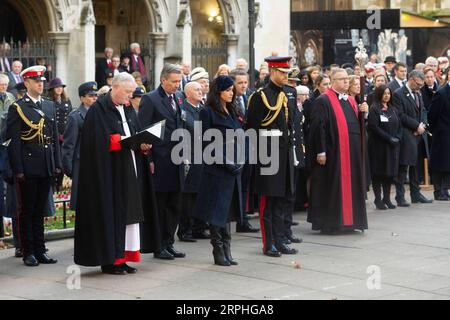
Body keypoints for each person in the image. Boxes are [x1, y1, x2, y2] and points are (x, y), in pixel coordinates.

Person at [74, 73, 160, 275]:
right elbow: (95, 142)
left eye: (132, 93)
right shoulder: (98, 110)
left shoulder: (128, 109)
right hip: (109, 174)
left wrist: (143, 144)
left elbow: (135, 133)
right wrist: (119, 140)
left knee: (129, 215)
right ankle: (110, 260)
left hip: (129, 169)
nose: (130, 97)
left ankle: (123, 258)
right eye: (128, 92)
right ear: (115, 87)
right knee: (113, 215)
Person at [6, 65, 61, 266]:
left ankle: (40, 249)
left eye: (42, 81)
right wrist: (18, 169)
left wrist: (57, 164)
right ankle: (28, 250)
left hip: (45, 164)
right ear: (27, 83)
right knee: (27, 210)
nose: (40, 84)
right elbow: (13, 142)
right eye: (36, 81)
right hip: (28, 166)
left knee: (40, 210)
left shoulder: (48, 105)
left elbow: (54, 138)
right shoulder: (18, 108)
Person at [246, 56, 298, 257]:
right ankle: (269, 244)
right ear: (272, 71)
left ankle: (280, 239)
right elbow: (252, 128)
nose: (286, 76)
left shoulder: (286, 95)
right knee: (268, 202)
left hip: (284, 154)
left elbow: (290, 124)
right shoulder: (260, 97)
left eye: (287, 73)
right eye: (283, 73)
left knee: (282, 201)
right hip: (268, 155)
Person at [307, 68, 368, 234]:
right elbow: (318, 127)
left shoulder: (350, 100)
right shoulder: (323, 100)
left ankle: (351, 222)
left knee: (352, 186)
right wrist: (321, 151)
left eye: (347, 79)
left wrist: (364, 114)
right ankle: (332, 223)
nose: (346, 82)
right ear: (333, 81)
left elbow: (357, 125)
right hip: (334, 153)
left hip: (351, 153)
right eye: (341, 79)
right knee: (333, 187)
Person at [193, 76, 243, 266]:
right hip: (217, 169)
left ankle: (228, 249)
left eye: (233, 90)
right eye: (228, 90)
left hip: (234, 167)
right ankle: (218, 249)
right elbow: (205, 143)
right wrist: (226, 162)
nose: (231, 93)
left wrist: (241, 160)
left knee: (228, 211)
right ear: (218, 91)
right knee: (217, 210)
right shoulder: (207, 112)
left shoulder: (232, 110)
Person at [138, 64, 186, 260]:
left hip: (177, 159)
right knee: (160, 205)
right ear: (163, 80)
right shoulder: (150, 99)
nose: (177, 85)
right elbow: (143, 133)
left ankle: (169, 242)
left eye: (179, 81)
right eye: (174, 81)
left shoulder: (178, 98)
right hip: (159, 159)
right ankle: (158, 246)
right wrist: (148, 159)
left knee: (174, 204)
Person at [393, 70, 432, 206]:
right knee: (403, 167)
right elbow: (400, 115)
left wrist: (423, 125)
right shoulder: (399, 94)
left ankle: (416, 194)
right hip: (407, 135)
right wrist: (416, 126)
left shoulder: (418, 92)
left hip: (419, 135)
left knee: (417, 167)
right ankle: (400, 196)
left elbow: (423, 111)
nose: (420, 87)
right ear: (412, 79)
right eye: (418, 84)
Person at [177, 82, 210, 242]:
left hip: (204, 155)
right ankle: (185, 230)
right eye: (196, 89)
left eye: (201, 89)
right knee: (189, 196)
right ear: (188, 93)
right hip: (190, 155)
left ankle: (199, 227)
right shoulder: (183, 110)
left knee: (202, 193)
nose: (200, 91)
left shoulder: (203, 109)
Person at [230, 68, 259, 234]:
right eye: (239, 83)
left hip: (249, 145)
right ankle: (235, 217)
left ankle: (243, 219)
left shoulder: (249, 97)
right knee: (236, 185)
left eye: (245, 82)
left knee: (245, 185)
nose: (243, 86)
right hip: (234, 147)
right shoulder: (228, 100)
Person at [61, 82, 98, 212]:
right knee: (83, 205)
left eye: (96, 96)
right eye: (90, 96)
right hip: (81, 164)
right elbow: (68, 145)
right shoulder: (75, 116)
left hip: (96, 164)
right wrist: (69, 170)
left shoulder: (99, 114)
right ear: (82, 98)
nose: (94, 98)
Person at [368, 85, 402, 210]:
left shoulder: (393, 108)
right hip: (379, 146)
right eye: (384, 93)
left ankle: (387, 198)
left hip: (392, 146)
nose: (387, 96)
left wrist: (398, 137)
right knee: (378, 173)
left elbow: (399, 124)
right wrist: (389, 138)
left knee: (389, 173)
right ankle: (378, 199)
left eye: (388, 93)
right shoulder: (374, 108)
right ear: (379, 94)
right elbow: (373, 127)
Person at [428, 68, 450, 201]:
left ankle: (445, 189)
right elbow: (432, 115)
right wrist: (438, 129)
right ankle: (438, 190)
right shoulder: (441, 93)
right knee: (439, 163)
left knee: (448, 163)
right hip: (442, 133)